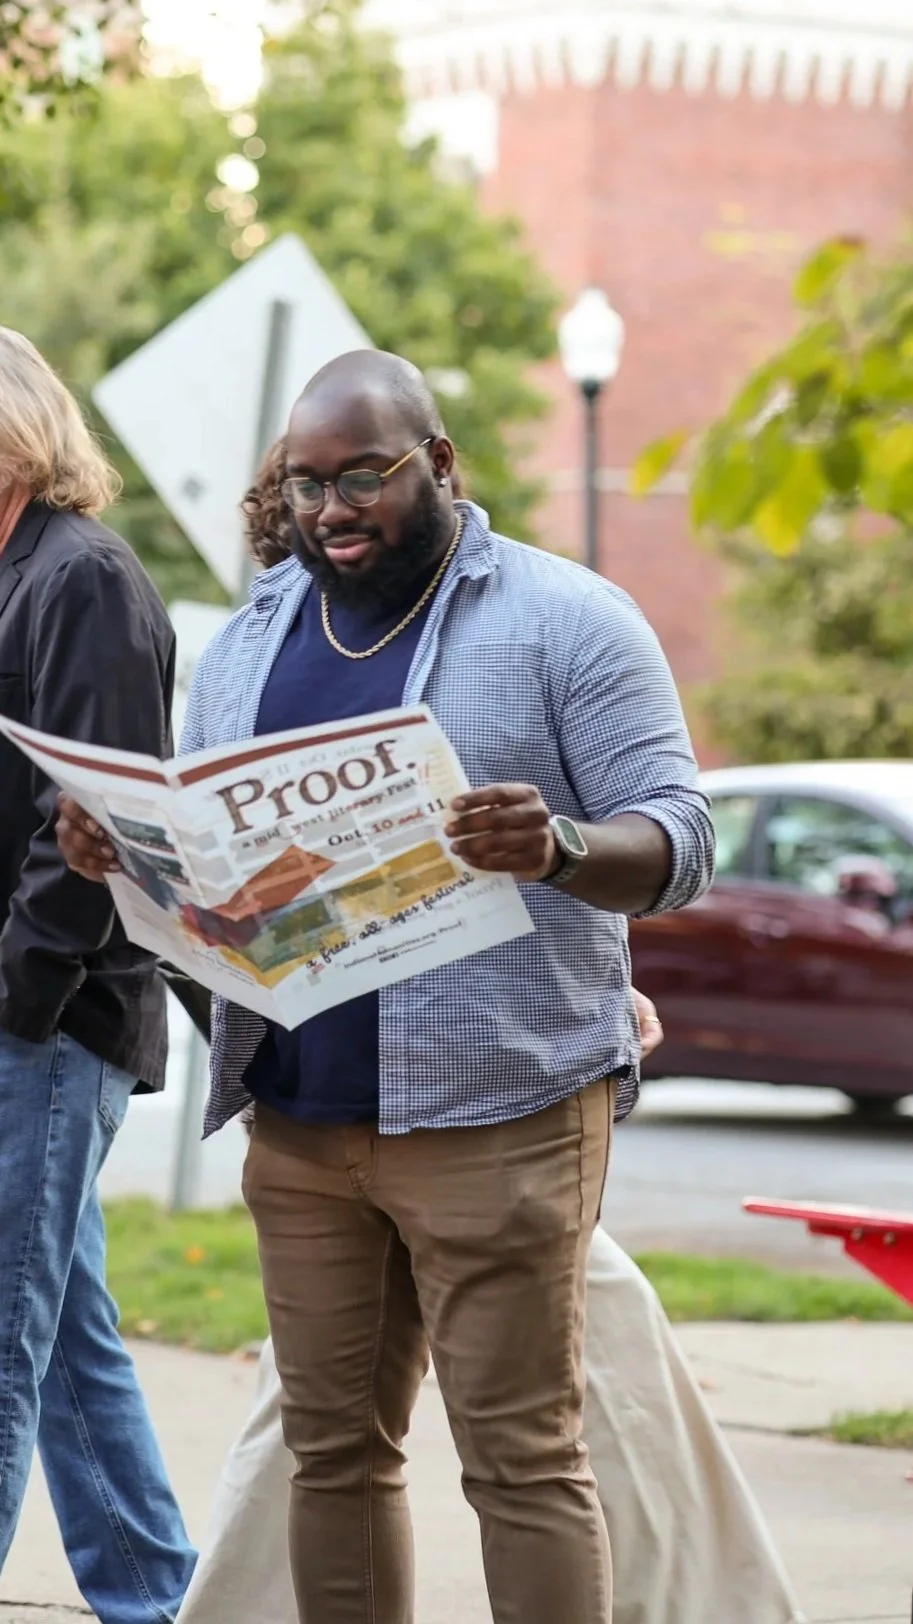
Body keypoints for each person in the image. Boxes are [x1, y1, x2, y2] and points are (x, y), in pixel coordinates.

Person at [59, 348, 715, 1624]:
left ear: (440, 463)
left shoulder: (567, 617)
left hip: (501, 1109)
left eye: (363, 476)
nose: (330, 510)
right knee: (334, 1458)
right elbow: (223, 869)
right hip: (302, 1120)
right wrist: (123, 852)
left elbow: (682, 841)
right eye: (304, 485)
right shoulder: (249, 639)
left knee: (521, 1462)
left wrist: (563, 846)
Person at [0, 328, 196, 1620]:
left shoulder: (86, 581)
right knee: (64, 1338)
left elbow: (98, 824)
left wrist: (14, 1000)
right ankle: (147, 1592)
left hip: (49, 1021)